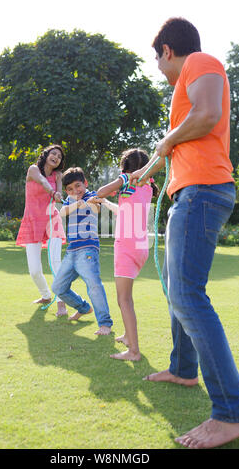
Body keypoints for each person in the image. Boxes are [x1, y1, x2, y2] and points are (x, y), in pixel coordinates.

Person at [130, 17, 239, 449]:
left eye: (157, 60)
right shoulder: (184, 91)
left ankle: (232, 413)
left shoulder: (201, 61)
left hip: (202, 192)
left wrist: (168, 139)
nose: (159, 71)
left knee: (187, 294)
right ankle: (183, 369)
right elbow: (175, 143)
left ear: (167, 50)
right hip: (190, 192)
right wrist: (143, 172)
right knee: (178, 289)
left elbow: (207, 115)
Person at [96, 149, 157, 361]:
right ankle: (126, 335)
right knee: (126, 298)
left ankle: (134, 351)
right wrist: (107, 204)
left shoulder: (127, 182)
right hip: (141, 247)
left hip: (126, 247)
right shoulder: (147, 187)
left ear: (126, 167)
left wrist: (122, 178)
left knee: (124, 300)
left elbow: (101, 191)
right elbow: (124, 211)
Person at [51, 167, 113, 335]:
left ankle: (105, 324)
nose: (75, 191)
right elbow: (62, 213)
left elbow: (96, 208)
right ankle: (84, 308)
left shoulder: (91, 196)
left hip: (88, 249)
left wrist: (84, 202)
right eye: (70, 189)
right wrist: (76, 203)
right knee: (58, 287)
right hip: (71, 251)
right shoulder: (70, 201)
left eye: (78, 186)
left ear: (85, 183)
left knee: (93, 284)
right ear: (66, 191)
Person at [16, 145, 68, 317]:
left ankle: (62, 303)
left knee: (55, 263)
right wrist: (53, 192)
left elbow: (59, 190)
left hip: (51, 220)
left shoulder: (58, 175)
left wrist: (58, 195)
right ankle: (46, 295)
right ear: (46, 155)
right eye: (53, 153)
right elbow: (43, 182)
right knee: (35, 270)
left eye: (59, 156)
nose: (56, 157)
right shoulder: (33, 170)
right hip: (32, 221)